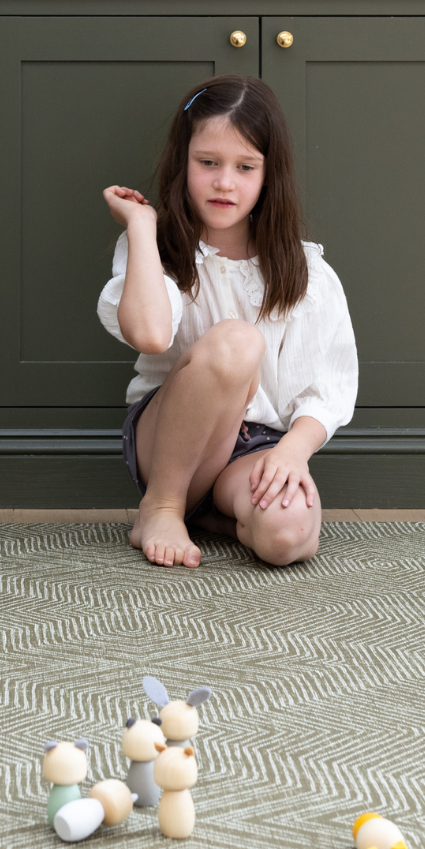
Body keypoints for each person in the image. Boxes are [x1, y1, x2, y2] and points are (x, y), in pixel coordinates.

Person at [98, 74, 358, 570]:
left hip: (252, 446)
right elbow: (150, 333)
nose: (224, 182)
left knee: (290, 536)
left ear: (268, 175)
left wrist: (292, 454)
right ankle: (164, 507)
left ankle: (213, 514)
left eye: (245, 167)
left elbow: (329, 387)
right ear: (183, 163)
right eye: (208, 163)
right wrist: (141, 225)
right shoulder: (157, 250)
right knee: (239, 343)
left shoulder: (308, 272)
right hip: (169, 442)